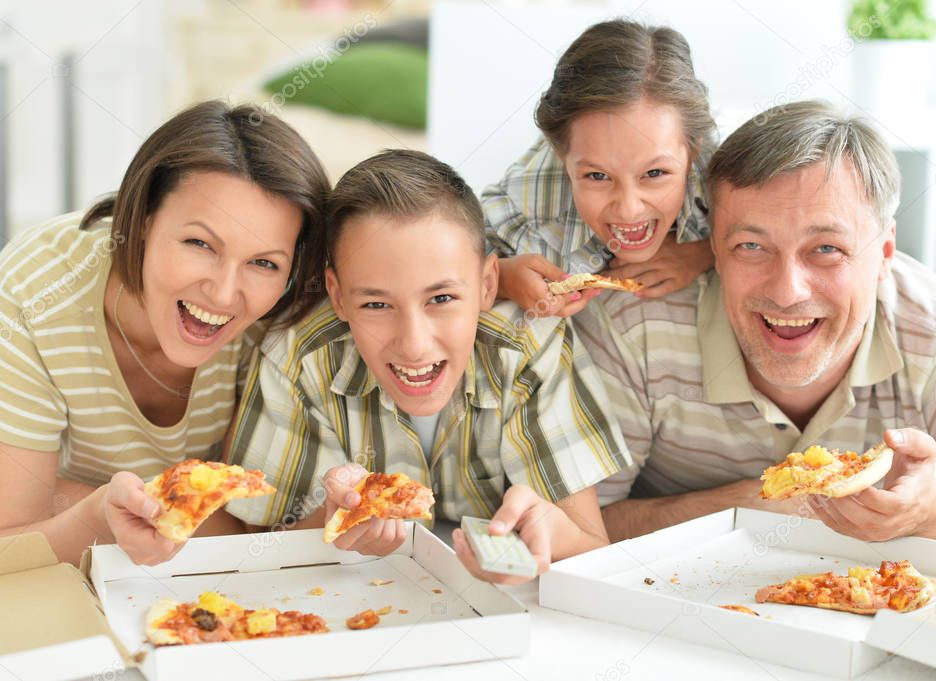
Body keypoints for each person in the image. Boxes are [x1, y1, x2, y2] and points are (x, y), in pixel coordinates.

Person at [579, 100, 936, 553]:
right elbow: (575, 531)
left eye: (826, 249)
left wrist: (935, 512)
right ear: (714, 247)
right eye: (751, 245)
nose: (787, 291)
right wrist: (744, 506)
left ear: (885, 253)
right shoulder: (634, 329)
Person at [226, 149, 631, 583]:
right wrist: (332, 521)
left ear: (488, 283)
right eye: (377, 304)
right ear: (338, 296)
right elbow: (261, 541)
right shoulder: (298, 359)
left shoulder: (531, 347)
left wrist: (551, 537)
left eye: (440, 299)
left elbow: (592, 546)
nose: (414, 345)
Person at [0, 100, 330, 564]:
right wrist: (99, 515)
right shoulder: (39, 288)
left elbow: (260, 532)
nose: (223, 292)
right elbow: (11, 546)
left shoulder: (281, 316)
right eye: (200, 243)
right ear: (142, 221)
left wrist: (72, 497)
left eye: (263, 262)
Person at [482, 18, 717, 318]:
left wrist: (706, 253)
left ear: (693, 150)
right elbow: (432, 274)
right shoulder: (525, 205)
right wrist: (502, 278)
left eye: (655, 173)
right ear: (560, 155)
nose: (629, 210)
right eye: (598, 175)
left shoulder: (722, 177)